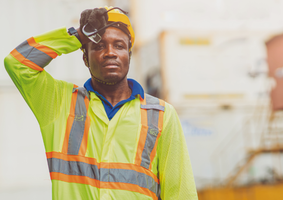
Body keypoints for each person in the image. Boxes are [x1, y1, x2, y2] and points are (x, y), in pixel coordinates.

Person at [4, 6, 198, 200]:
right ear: (85, 59)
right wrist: (78, 36)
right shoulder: (59, 104)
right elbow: (17, 63)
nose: (110, 52)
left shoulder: (161, 115)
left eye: (119, 46)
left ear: (128, 56)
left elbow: (181, 193)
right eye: (98, 46)